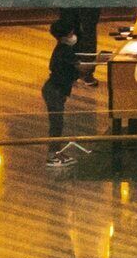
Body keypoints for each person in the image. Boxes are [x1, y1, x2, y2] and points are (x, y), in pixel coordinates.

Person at [40, 8, 102, 162]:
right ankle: (52, 155)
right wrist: (99, 61)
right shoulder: (64, 51)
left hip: (56, 91)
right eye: (70, 33)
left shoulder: (65, 49)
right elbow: (81, 68)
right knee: (56, 125)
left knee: (58, 124)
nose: (73, 35)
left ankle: (55, 152)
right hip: (54, 91)